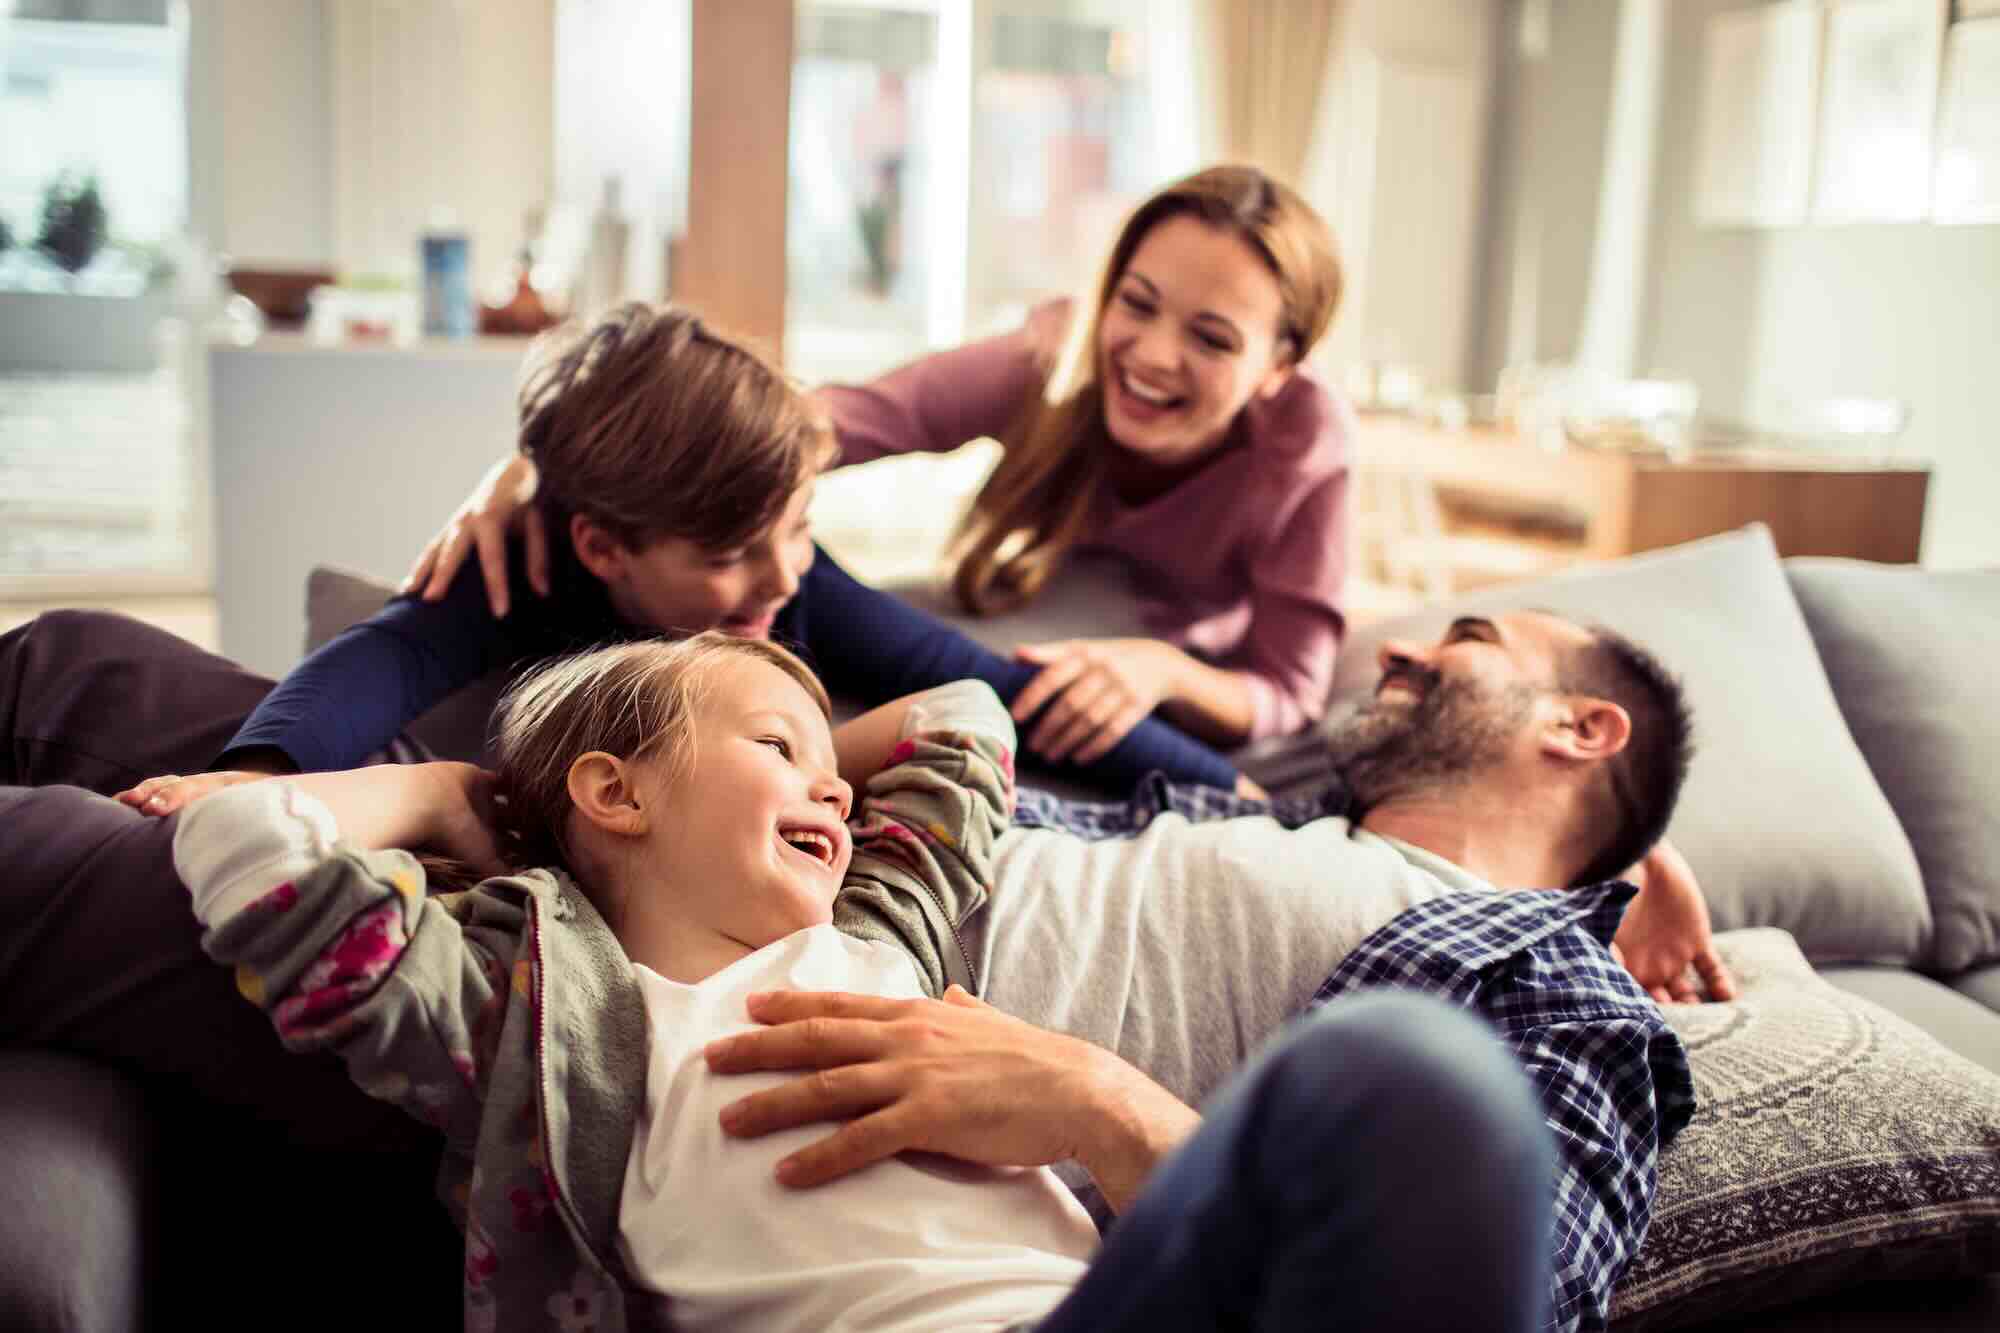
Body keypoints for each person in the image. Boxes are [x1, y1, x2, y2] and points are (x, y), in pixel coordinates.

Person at [0, 604, 1720, 1329]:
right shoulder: (1246, 807)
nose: (1404, 641)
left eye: (1467, 638)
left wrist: (1099, 1104)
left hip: (632, 1062)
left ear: (1585, 732)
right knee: (76, 665)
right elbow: (949, 707)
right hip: (638, 862)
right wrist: (526, 782)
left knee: (1410, 1089)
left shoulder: (1553, 986)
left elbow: (1483, 1289)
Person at [133, 301, 1245, 821]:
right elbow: (384, 656)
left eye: (798, 527)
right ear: (601, 546)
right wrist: (261, 775)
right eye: (729, 555)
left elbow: (978, 677)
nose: (779, 575)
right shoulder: (529, 570)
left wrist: (1227, 786)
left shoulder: (793, 585)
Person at [408, 164, 1353, 768]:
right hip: (1021, 611)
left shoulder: (1306, 446)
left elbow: (1292, 688)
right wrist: (539, 469)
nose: (1151, 354)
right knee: (845, 655)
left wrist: (1163, 673)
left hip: (1159, 667)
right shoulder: (1050, 359)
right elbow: (784, 432)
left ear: (1281, 363)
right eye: (1136, 304)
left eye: (1211, 338)